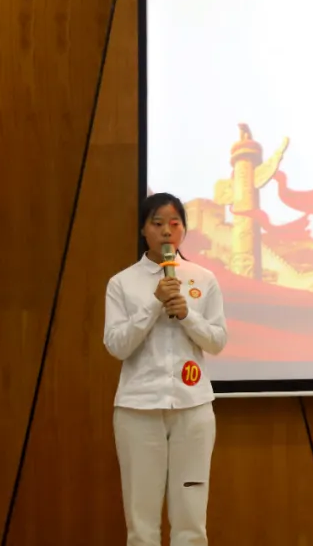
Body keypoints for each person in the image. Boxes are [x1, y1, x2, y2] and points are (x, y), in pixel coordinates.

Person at [103, 192, 229, 546]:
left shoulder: (203, 279)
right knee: (142, 524)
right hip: (138, 409)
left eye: (175, 223)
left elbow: (217, 341)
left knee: (191, 521)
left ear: (184, 230)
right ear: (144, 230)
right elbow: (116, 345)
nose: (166, 231)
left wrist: (187, 314)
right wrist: (153, 304)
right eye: (157, 223)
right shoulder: (122, 283)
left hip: (193, 409)